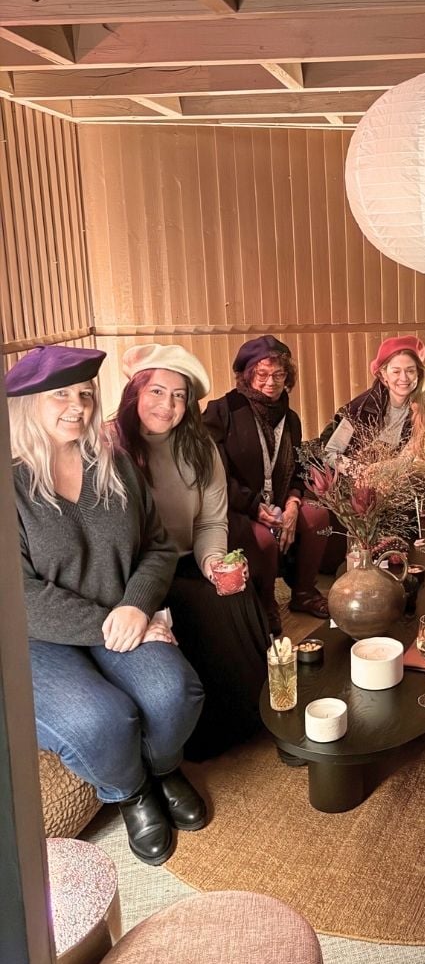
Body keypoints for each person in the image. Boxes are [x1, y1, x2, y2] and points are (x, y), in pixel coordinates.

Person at [9, 345, 206, 867]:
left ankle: (163, 768)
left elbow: (159, 546)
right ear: (27, 403)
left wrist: (139, 607)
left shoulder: (113, 462)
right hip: (42, 637)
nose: (77, 406)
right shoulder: (11, 482)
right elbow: (17, 594)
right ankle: (132, 792)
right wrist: (112, 625)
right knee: (100, 721)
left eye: (85, 394)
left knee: (175, 693)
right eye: (61, 395)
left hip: (123, 614)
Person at [113, 344, 270, 760]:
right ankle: (206, 736)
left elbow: (211, 522)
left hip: (190, 557)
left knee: (237, 594)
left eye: (179, 395)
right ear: (135, 393)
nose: (168, 405)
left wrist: (214, 562)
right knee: (200, 605)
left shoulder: (200, 447)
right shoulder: (111, 447)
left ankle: (260, 716)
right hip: (135, 573)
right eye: (157, 392)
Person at [203, 335, 330, 626]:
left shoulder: (291, 418)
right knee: (262, 540)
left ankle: (304, 591)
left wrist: (294, 504)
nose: (271, 382)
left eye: (279, 374)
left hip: (280, 502)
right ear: (247, 375)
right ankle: (265, 600)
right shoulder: (222, 411)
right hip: (237, 506)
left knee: (319, 516)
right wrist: (255, 508)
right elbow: (214, 475)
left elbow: (298, 468)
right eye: (262, 374)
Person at [319, 335, 425, 461]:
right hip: (340, 474)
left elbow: (406, 458)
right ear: (383, 374)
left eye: (410, 371)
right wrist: (360, 472)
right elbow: (329, 454)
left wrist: (388, 471)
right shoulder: (361, 408)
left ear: (419, 373)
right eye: (396, 371)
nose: (404, 378)